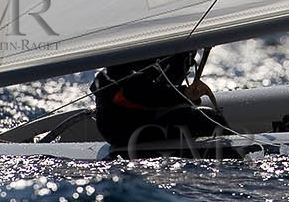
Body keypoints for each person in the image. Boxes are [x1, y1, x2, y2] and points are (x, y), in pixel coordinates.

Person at [92, 50, 223, 151]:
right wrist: (184, 94)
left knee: (203, 117)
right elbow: (133, 93)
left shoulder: (181, 49)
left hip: (145, 115)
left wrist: (184, 96)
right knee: (209, 120)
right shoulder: (146, 53)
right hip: (123, 127)